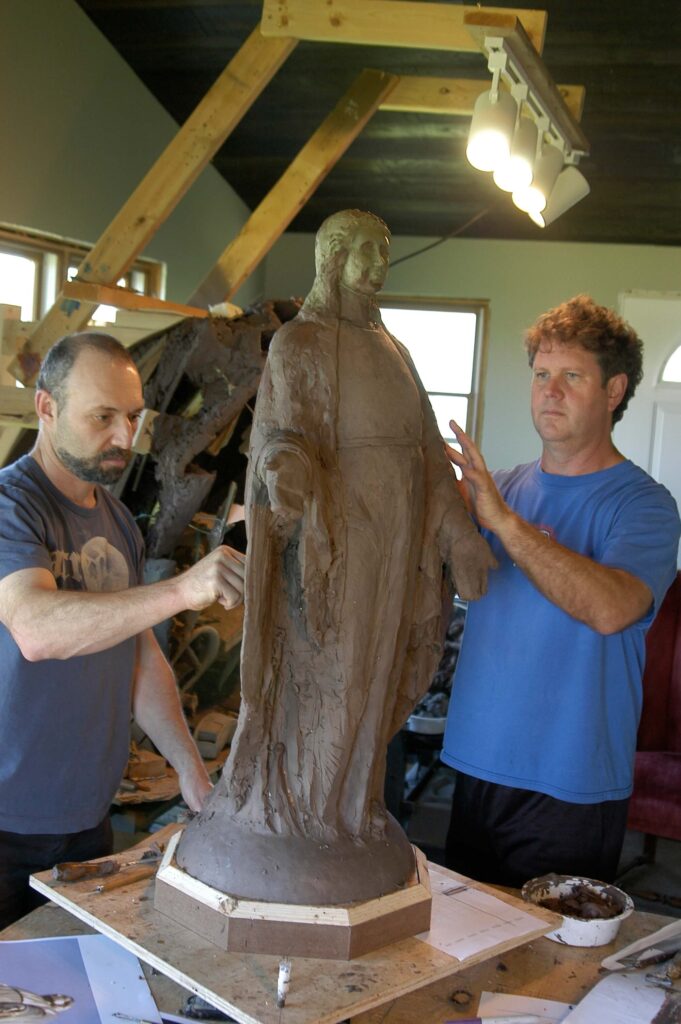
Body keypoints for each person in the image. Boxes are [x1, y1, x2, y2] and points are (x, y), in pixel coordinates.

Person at [175, 209, 496, 907]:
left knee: (378, 675)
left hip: (395, 538)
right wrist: (286, 474)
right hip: (335, 543)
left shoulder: (395, 350)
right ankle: (302, 812)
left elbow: (427, 461)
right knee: (331, 672)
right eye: (364, 253)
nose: (378, 265)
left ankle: (351, 811)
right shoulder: (300, 342)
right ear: (332, 259)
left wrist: (458, 534)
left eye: (385, 251)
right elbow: (282, 435)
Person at [0, 331, 245, 928]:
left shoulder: (117, 522)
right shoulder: (12, 506)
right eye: (102, 416)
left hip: (87, 819)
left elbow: (141, 662)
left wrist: (191, 769)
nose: (123, 437)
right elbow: (36, 630)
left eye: (132, 416)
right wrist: (184, 589)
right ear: (46, 408)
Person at [441, 294, 681, 888]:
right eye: (542, 375)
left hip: (569, 786)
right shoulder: (497, 490)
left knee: (550, 968)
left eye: (572, 376)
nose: (550, 391)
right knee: (459, 957)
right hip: (473, 765)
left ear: (615, 389)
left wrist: (502, 522)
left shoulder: (644, 505)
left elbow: (611, 608)